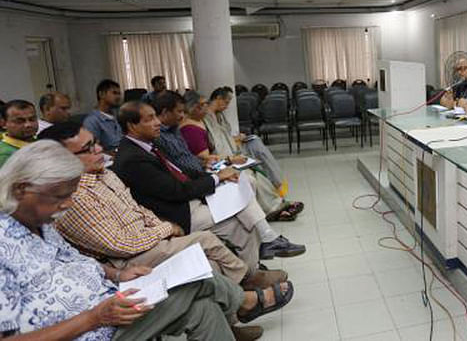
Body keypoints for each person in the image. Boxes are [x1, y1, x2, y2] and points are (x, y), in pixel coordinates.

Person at [0, 141, 293, 341]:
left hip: (109, 303)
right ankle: (244, 301)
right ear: (22, 188)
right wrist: (93, 318)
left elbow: (77, 261)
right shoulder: (4, 247)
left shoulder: (40, 223)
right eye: (59, 197)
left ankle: (243, 302)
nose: (66, 205)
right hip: (91, 331)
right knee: (194, 282)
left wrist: (117, 274)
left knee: (201, 308)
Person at [38, 122, 288, 293]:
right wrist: (166, 229)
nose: (100, 149)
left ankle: (238, 305)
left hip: (149, 238)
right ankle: (247, 283)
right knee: (206, 240)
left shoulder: (105, 174)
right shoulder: (74, 196)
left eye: (95, 142)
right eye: (88, 148)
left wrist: (161, 228)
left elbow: (139, 210)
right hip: (127, 259)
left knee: (215, 258)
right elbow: (120, 245)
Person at [111, 101, 305, 262]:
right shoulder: (133, 158)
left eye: (155, 117)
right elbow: (177, 190)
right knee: (240, 220)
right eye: (150, 119)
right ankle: (258, 255)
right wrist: (215, 178)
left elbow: (182, 171)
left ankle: (265, 242)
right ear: (132, 126)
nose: (157, 123)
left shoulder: (146, 145)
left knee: (237, 186)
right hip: (179, 213)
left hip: (186, 199)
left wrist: (214, 176)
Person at [204, 87, 303, 222]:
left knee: (255, 142)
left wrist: (237, 138)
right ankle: (275, 207)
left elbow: (226, 136)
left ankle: (278, 194)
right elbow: (214, 148)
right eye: (226, 102)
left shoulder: (219, 115)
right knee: (254, 173)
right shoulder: (206, 119)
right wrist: (231, 156)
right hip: (223, 161)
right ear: (218, 99)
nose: (227, 106)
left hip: (233, 151)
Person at [83, 79, 123, 153]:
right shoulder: (92, 121)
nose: (118, 97)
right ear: (101, 94)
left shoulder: (117, 115)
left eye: (119, 93)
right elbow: (91, 150)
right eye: (114, 93)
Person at [0, 100, 38, 167]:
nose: (28, 125)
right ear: (3, 123)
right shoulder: (5, 154)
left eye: (32, 119)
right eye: (20, 121)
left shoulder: (40, 141)